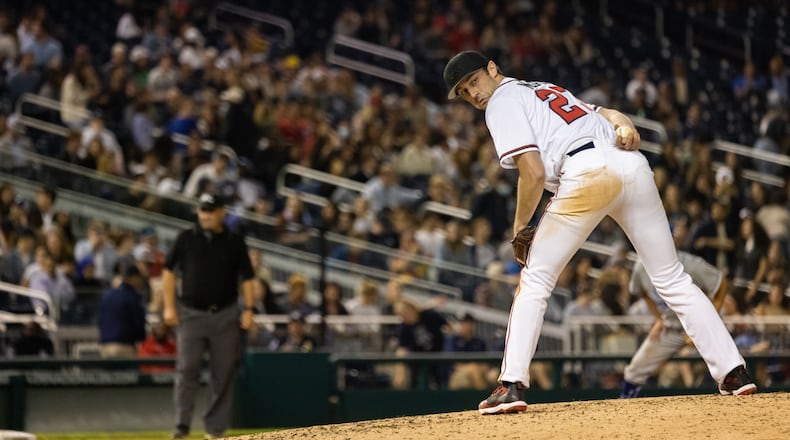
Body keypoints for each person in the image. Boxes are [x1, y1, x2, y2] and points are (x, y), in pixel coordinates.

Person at [442, 50, 755, 415]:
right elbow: (606, 113)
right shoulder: (545, 88)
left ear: (493, 69)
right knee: (672, 277)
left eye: (474, 81)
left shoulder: (501, 101)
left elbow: (533, 172)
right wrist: (625, 126)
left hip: (586, 171)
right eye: (464, 91)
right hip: (631, 167)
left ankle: (510, 385)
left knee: (536, 279)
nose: (473, 93)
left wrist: (519, 227)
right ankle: (733, 371)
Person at [162, 193, 256, 439]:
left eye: (211, 210)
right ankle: (182, 425)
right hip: (191, 313)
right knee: (187, 369)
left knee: (222, 373)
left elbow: (247, 277)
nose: (205, 215)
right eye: (203, 210)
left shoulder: (235, 242)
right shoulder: (185, 239)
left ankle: (214, 430)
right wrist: (168, 307)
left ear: (222, 213)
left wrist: (249, 309)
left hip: (225, 314)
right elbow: (169, 273)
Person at [621, 231, 731, 398]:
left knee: (726, 366)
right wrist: (658, 319)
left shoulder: (690, 264)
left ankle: (738, 408)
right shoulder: (641, 266)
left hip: (697, 324)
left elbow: (721, 284)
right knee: (634, 370)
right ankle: (623, 408)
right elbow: (641, 292)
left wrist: (709, 322)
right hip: (671, 328)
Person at [98, 263, 147, 358]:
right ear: (133, 278)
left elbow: (100, 320)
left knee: (109, 373)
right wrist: (141, 338)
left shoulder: (107, 295)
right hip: (124, 346)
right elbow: (139, 324)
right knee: (127, 373)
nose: (141, 281)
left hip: (105, 345)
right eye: (140, 278)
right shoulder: (132, 297)